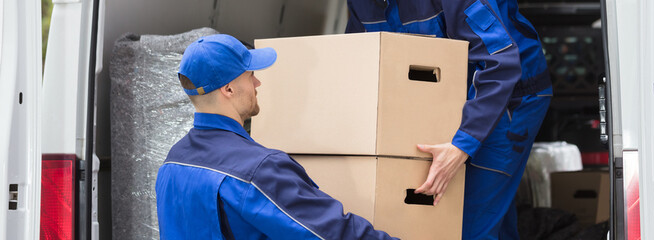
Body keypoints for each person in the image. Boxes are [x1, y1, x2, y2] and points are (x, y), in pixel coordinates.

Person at [155, 34, 396, 240]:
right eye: (249, 75)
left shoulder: (171, 163)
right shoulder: (256, 169)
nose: (257, 82)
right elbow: (332, 233)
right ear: (228, 89)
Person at [345, 0, 552, 239]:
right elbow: (361, 59)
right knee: (490, 213)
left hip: (512, 96)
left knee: (465, 225)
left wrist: (462, 146)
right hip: (450, 99)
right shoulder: (359, 4)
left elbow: (501, 64)